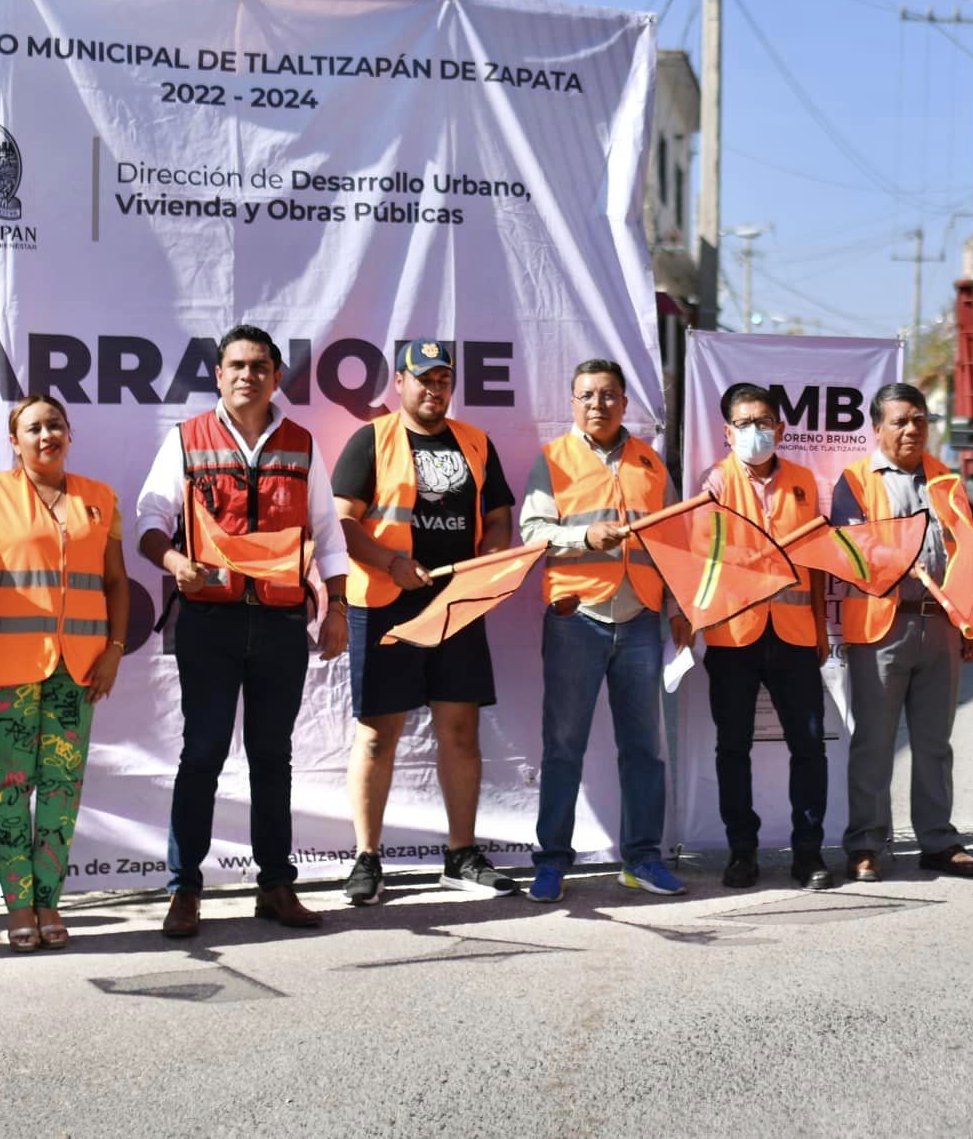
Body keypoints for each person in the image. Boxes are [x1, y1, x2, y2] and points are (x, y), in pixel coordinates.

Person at [136, 324, 350, 937]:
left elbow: (328, 536)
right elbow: (150, 516)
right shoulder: (186, 440)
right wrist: (175, 563)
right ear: (218, 374)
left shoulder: (302, 444)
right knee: (201, 753)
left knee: (272, 758)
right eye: (236, 365)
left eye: (259, 366)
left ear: (276, 376)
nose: (246, 375)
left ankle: (276, 886)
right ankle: (184, 890)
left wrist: (336, 606)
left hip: (282, 621)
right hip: (208, 620)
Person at [333, 340, 518, 903]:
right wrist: (390, 562)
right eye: (423, 379)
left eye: (443, 380)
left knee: (459, 731)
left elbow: (499, 517)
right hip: (385, 602)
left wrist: (488, 558)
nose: (434, 389)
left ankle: (460, 855)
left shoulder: (476, 442)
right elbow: (342, 522)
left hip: (455, 603)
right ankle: (367, 859)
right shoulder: (371, 439)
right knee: (376, 735)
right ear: (400, 383)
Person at [0, 394, 128, 950]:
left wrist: (115, 648)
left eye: (54, 425)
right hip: (7, 669)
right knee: (10, 789)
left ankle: (51, 904)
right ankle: (18, 906)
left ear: (69, 434)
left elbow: (116, 581)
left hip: (80, 667)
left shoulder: (100, 498)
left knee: (61, 790)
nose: (45, 435)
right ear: (14, 441)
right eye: (33, 428)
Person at [519, 358, 691, 903]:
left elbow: (674, 543)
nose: (599, 404)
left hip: (640, 616)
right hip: (577, 618)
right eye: (588, 395)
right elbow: (532, 533)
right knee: (563, 747)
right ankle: (551, 863)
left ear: (625, 402)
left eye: (610, 394)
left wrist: (680, 606)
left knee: (643, 748)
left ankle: (642, 859)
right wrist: (585, 537)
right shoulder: (553, 460)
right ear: (573, 403)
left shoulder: (650, 463)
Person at [831, 382, 973, 883]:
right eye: (899, 421)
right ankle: (866, 845)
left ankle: (939, 841)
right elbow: (854, 551)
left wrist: (969, 620)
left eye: (919, 419)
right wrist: (900, 563)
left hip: (940, 625)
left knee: (935, 743)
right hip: (882, 626)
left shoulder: (946, 479)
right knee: (874, 743)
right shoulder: (854, 481)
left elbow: (969, 554)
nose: (911, 429)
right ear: (877, 429)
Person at [696, 382, 833, 891]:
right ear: (728, 432)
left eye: (766, 422)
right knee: (732, 748)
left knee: (810, 746)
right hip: (734, 637)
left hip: (795, 635)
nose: (758, 431)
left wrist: (819, 623)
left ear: (781, 427)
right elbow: (700, 562)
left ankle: (809, 853)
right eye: (746, 423)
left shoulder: (802, 480)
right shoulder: (714, 482)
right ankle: (742, 852)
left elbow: (817, 562)